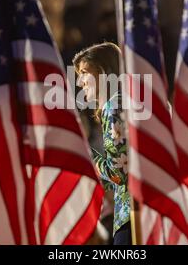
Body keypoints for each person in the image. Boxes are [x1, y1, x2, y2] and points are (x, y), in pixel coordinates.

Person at [73, 42, 131, 245]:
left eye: (83, 72)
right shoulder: (136, 101)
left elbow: (118, 174)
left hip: (131, 215)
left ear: (103, 72)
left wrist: (85, 156)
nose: (80, 82)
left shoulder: (112, 105)